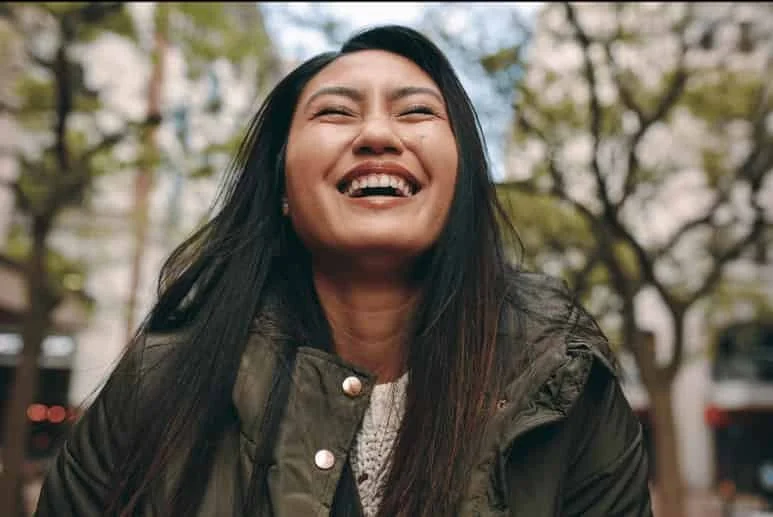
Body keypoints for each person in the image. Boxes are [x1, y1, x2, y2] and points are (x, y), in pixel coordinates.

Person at [35, 25, 652, 517]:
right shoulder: (161, 380)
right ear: (280, 186)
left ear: (461, 180)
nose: (378, 134)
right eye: (335, 113)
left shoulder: (564, 383)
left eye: (415, 113)